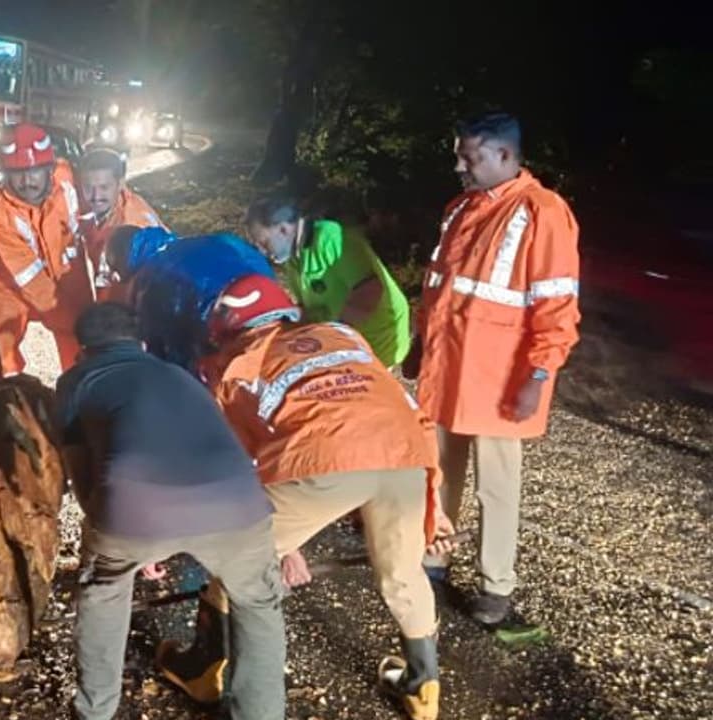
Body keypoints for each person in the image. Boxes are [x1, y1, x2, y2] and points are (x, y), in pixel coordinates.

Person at [197, 274, 458, 720]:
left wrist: (285, 547)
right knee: (402, 573)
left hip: (325, 463)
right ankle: (422, 687)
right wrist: (433, 513)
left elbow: (243, 470)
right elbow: (399, 406)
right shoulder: (342, 334)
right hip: (406, 456)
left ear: (229, 331)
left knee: (236, 558)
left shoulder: (235, 368)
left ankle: (204, 669)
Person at [55, 302, 285, 720]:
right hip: (237, 503)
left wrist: (119, 539)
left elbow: (80, 472)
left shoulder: (76, 379)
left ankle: (94, 711)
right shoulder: (177, 373)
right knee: (259, 602)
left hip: (134, 506)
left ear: (82, 350)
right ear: (140, 343)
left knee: (104, 591)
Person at [405, 112, 581, 624]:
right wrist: (421, 343)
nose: (459, 165)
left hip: (501, 381)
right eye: (459, 154)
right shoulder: (460, 208)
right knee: (437, 473)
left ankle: (495, 586)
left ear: (506, 156)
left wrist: (539, 375)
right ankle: (433, 559)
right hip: (448, 370)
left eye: (470, 156)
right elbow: (441, 287)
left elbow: (557, 307)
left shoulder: (544, 213)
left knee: (497, 488)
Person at [244, 197, 412, 367]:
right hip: (345, 341)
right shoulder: (293, 259)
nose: (263, 251)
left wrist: (333, 339)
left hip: (379, 339)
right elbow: (306, 308)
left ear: (283, 229)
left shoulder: (330, 239)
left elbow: (369, 291)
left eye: (264, 242)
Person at [0, 123, 91, 376]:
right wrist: (70, 320)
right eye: (17, 173)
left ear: (50, 169)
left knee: (85, 348)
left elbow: (107, 206)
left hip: (68, 274)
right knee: (1, 350)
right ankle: (0, 402)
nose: (26, 181)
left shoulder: (70, 182)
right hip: (13, 284)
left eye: (34, 172)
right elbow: (31, 279)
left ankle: (84, 399)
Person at [102, 225, 274, 371]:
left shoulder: (146, 283)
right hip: (271, 316)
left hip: (227, 347)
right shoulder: (214, 241)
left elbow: (165, 350)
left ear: (121, 262)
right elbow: (253, 260)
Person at [74, 148, 166, 299]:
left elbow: (126, 293)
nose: (96, 196)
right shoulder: (112, 207)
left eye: (104, 187)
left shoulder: (130, 228)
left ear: (121, 183)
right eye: (89, 188)